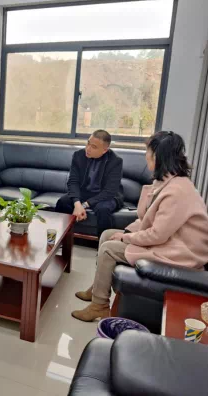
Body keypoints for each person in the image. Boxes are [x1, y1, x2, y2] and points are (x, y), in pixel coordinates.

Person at [72, 131, 208, 322]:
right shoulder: (167, 181)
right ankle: (97, 288)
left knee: (109, 249)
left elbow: (157, 235)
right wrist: (126, 232)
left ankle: (99, 306)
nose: (145, 156)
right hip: (170, 241)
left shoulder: (177, 191)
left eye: (148, 151)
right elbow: (148, 221)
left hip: (179, 251)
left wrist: (126, 237)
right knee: (108, 235)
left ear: (158, 156)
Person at [55, 130, 124, 238]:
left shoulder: (115, 161)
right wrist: (77, 203)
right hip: (84, 192)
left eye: (94, 147)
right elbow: (73, 182)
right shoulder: (78, 155)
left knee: (103, 210)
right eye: (88, 143)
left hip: (106, 196)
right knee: (62, 202)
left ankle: (103, 245)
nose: (88, 148)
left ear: (105, 150)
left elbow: (109, 191)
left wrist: (84, 205)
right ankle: (62, 240)